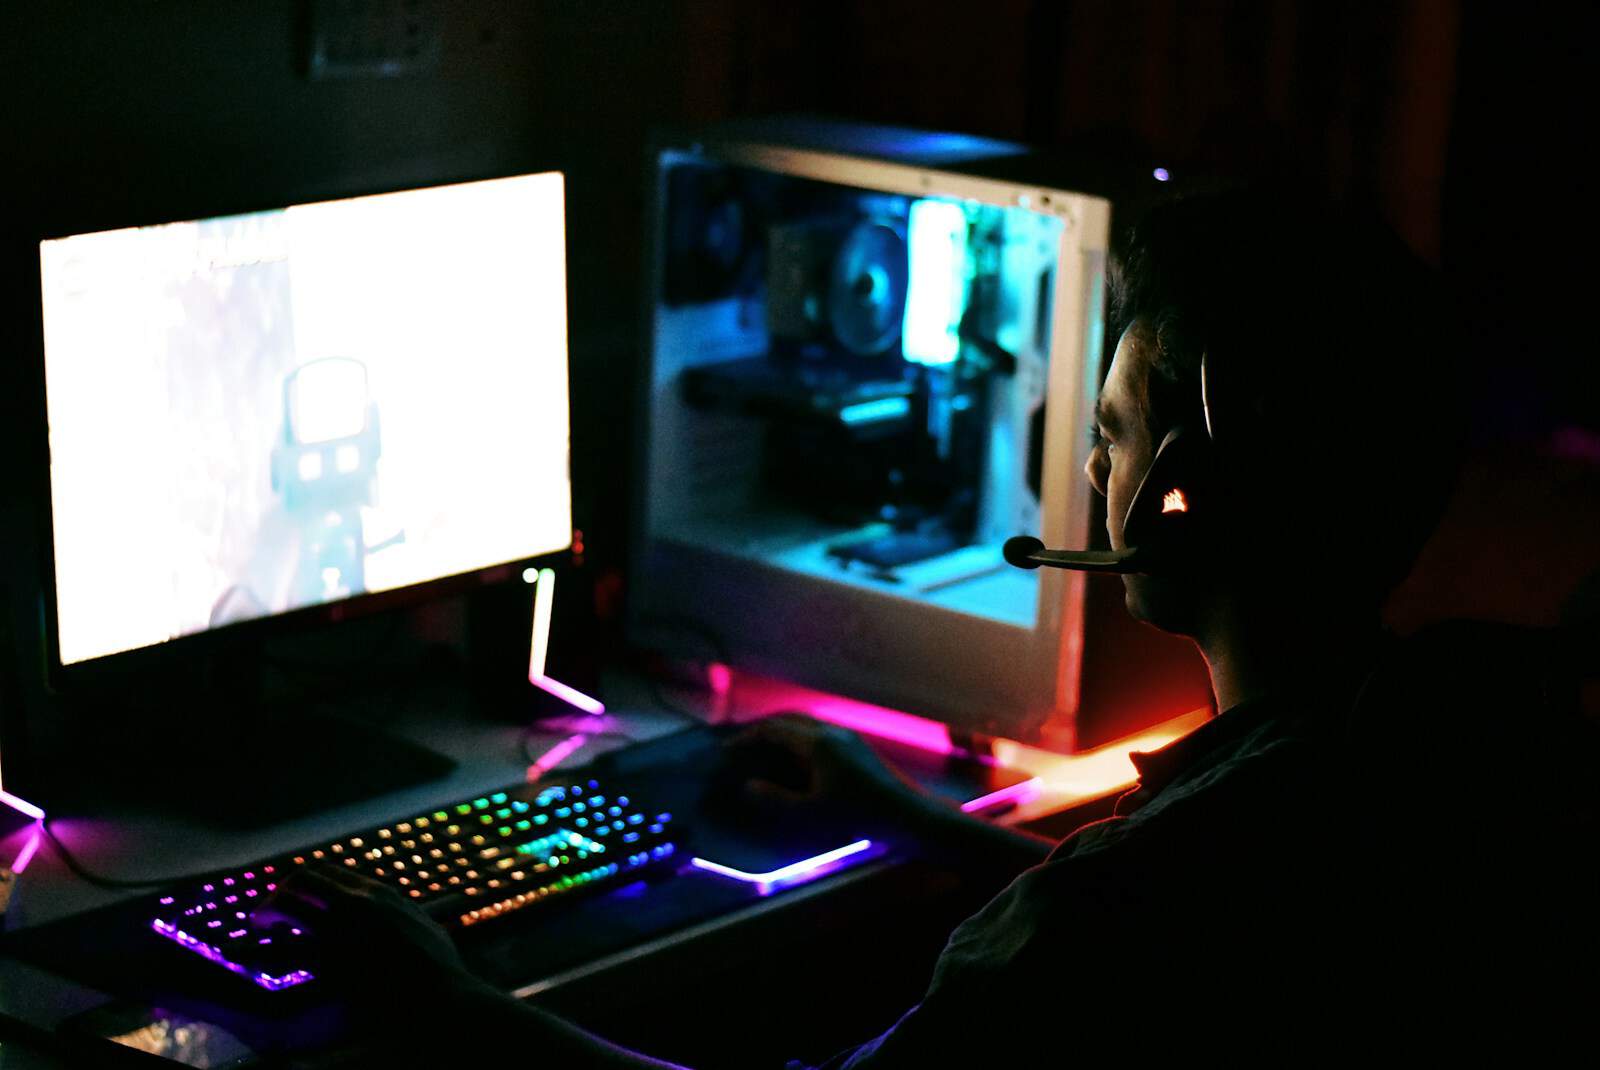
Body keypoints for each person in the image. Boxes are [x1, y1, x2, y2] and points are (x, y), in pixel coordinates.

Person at [276, 189, 1499, 1063]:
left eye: (1112, 435)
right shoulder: (1412, 756)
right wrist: (898, 807)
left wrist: (444, 999)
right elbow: (1165, 927)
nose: (1085, 465)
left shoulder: (1120, 901)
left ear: (1176, 494)